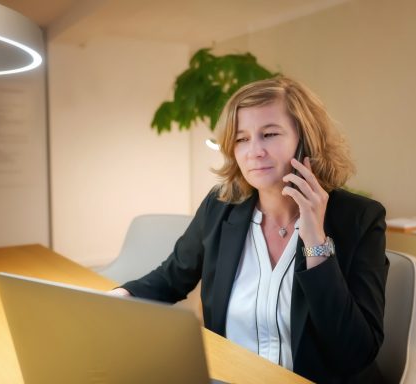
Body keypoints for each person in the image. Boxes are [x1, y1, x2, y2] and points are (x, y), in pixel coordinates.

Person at [110, 77, 388, 383]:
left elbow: (355, 352)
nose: (254, 151)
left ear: (305, 140)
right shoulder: (220, 206)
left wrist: (315, 241)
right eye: (242, 138)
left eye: (269, 134)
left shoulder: (359, 218)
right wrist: (114, 298)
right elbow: (171, 278)